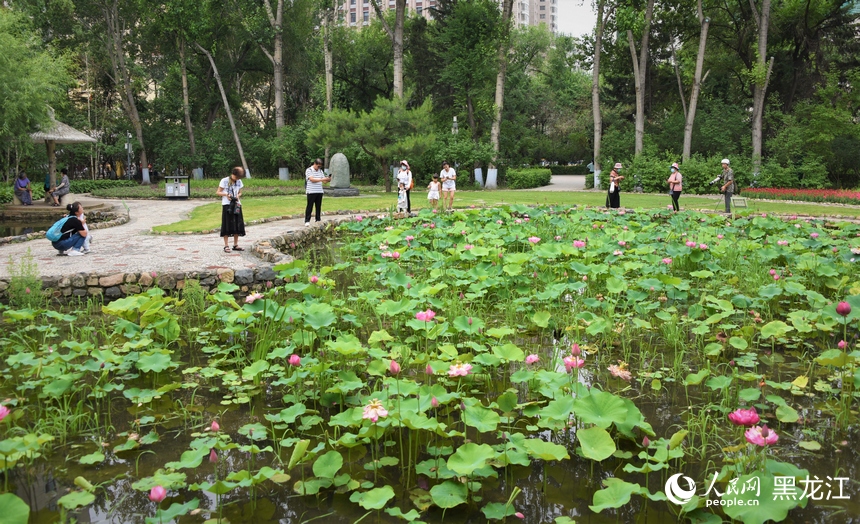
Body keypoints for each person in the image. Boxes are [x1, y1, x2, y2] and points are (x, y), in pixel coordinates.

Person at [216, 166, 246, 253]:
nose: (237, 179)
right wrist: (226, 195)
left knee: (237, 223)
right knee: (227, 224)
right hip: (227, 205)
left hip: (237, 204)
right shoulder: (224, 180)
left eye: (239, 178)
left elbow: (240, 192)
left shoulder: (239, 181)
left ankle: (235, 244)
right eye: (236, 177)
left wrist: (238, 196)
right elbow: (218, 192)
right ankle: (226, 245)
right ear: (233, 174)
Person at [304, 158, 331, 226]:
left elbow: (324, 181)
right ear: (315, 164)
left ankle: (318, 219)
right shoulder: (309, 170)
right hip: (311, 191)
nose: (319, 167)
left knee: (318, 206)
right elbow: (312, 179)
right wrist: (322, 179)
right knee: (310, 206)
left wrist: (328, 179)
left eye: (320, 166)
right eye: (318, 166)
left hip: (319, 191)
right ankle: (307, 220)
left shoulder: (320, 171)